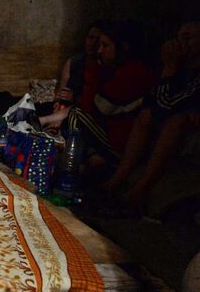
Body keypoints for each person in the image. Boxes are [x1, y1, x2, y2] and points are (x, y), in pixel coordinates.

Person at [102, 21, 200, 204]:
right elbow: (153, 103)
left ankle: (139, 190)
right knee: (146, 115)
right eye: (178, 38)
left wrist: (169, 69)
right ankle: (116, 180)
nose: (180, 44)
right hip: (170, 121)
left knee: (176, 121)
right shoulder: (184, 70)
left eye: (187, 38)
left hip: (186, 131)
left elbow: (169, 104)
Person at [43, 21, 156, 167]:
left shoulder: (130, 72)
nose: (99, 50)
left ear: (122, 47)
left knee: (76, 115)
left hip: (118, 141)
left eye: (104, 45)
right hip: (106, 131)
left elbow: (94, 107)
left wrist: (92, 73)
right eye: (92, 39)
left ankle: (76, 160)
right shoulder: (79, 62)